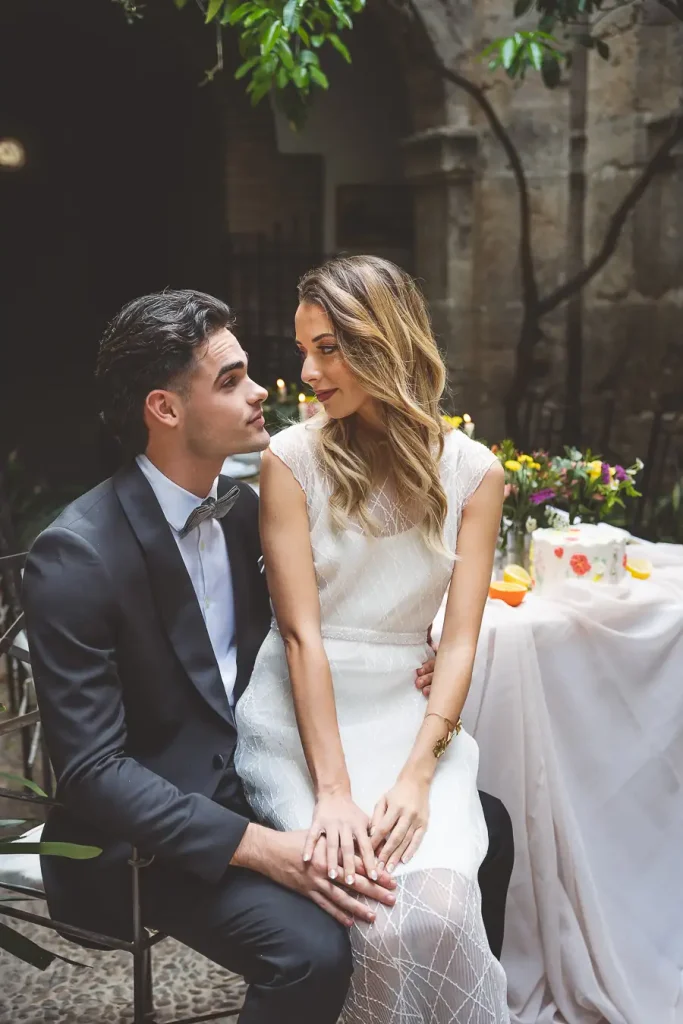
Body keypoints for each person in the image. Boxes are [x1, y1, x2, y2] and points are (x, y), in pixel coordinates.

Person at [22, 289, 398, 1024]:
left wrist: (406, 663)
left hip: (261, 775)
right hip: (140, 844)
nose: (261, 392)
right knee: (312, 953)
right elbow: (95, 774)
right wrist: (260, 847)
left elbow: (314, 630)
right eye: (229, 381)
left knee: (485, 826)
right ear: (163, 409)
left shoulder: (247, 510)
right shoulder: (77, 556)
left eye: (248, 372)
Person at [235, 256, 511, 1022]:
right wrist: (332, 794)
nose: (307, 371)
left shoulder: (474, 474)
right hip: (304, 718)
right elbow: (299, 635)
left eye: (327, 348)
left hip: (409, 719)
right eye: (303, 349)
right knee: (377, 923)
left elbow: (457, 644)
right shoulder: (290, 461)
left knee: (446, 910)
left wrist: (418, 775)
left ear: (381, 344)